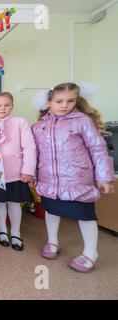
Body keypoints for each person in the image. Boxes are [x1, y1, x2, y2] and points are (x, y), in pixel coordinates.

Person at [31, 82, 115, 272]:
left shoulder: (82, 121)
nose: (64, 105)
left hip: (77, 179)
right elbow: (34, 153)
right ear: (48, 102)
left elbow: (97, 148)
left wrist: (104, 177)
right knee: (51, 209)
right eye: (59, 101)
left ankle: (91, 252)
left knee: (85, 215)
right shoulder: (38, 126)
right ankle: (53, 242)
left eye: (70, 101)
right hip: (49, 179)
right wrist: (33, 174)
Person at [0, 92, 36, 251]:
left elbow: (29, 147)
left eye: (7, 105)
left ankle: (15, 232)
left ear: (12, 106)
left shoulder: (20, 122)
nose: (2, 108)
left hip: (15, 171)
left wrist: (28, 169)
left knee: (14, 203)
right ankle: (3, 230)